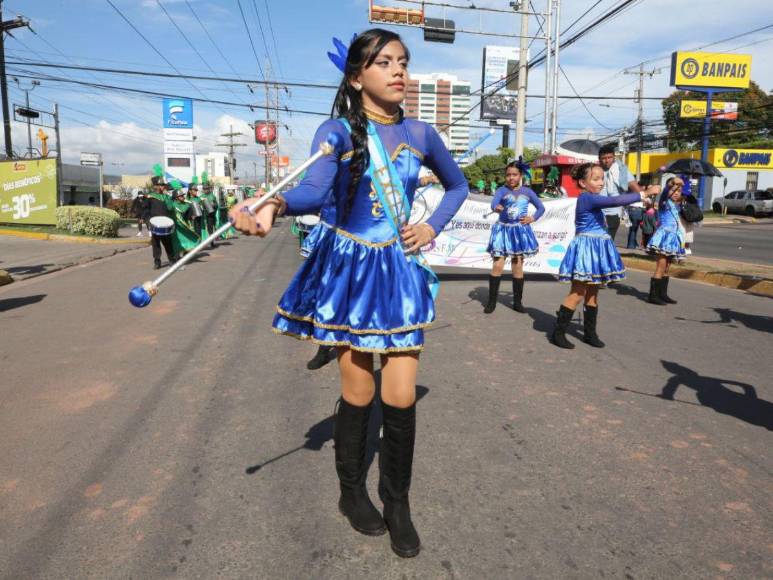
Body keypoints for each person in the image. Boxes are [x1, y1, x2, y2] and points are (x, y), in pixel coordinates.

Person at [229, 29, 467, 558]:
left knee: (400, 393)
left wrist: (432, 229)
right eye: (384, 63)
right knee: (359, 391)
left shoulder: (422, 133)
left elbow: (458, 186)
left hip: (399, 268)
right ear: (357, 77)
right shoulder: (336, 130)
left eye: (403, 62)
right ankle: (350, 492)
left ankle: (397, 502)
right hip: (352, 268)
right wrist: (272, 207)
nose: (399, 71)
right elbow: (314, 190)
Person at [550, 162, 654, 349]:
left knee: (593, 293)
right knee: (577, 292)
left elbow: (613, 203)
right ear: (582, 183)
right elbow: (614, 201)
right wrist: (643, 193)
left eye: (602, 178)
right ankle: (558, 333)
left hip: (597, 249)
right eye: (595, 179)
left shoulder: (593, 198)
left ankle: (590, 333)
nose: (600, 182)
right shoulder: (586, 198)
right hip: (586, 250)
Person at [483, 161, 545, 314]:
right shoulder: (501, 190)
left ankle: (518, 302)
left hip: (519, 231)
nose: (511, 178)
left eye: (514, 175)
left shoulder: (528, 192)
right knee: (498, 265)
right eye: (508, 175)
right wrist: (496, 207)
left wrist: (533, 218)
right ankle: (491, 302)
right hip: (503, 230)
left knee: (517, 265)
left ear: (520, 176)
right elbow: (494, 203)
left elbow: (541, 208)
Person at [647, 176, 685, 305]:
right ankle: (653, 295)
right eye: (674, 191)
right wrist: (673, 183)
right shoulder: (664, 202)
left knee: (667, 267)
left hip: (673, 238)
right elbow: (664, 192)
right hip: (664, 238)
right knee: (661, 265)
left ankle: (662, 294)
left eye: (678, 192)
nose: (676, 194)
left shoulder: (676, 206)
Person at [598, 143, 643, 246]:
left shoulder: (622, 171)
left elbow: (636, 190)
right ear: (599, 159)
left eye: (609, 157)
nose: (607, 160)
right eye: (604, 158)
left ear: (614, 157)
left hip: (613, 214)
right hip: (597, 212)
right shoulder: (595, 171)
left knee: (606, 242)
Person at [145, 176, 177, 269]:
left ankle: (171, 260)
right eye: (161, 185)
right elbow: (146, 210)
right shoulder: (150, 196)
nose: (163, 186)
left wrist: (167, 197)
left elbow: (171, 208)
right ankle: (157, 261)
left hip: (165, 224)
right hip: (155, 224)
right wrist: (148, 221)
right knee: (155, 244)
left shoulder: (167, 197)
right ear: (156, 186)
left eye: (163, 185)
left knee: (168, 243)